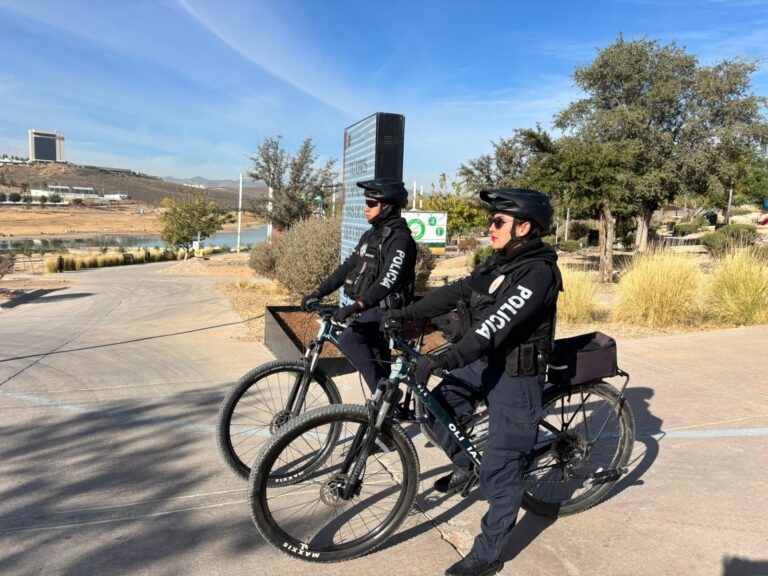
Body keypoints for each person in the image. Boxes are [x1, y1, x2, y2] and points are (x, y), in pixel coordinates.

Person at [383, 188, 562, 576]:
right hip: (485, 364)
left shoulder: (537, 272)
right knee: (435, 412)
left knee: (502, 467)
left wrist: (443, 358)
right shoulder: (501, 263)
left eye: (499, 221)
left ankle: (489, 553)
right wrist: (405, 312)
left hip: (517, 376)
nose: (491, 226)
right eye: (492, 219)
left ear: (524, 227)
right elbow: (456, 292)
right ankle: (470, 465)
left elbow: (495, 327)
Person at [301, 178, 417, 393]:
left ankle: (385, 395)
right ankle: (385, 407)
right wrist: (317, 292)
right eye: (366, 203)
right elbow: (346, 267)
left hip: (389, 309)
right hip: (371, 308)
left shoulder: (400, 239)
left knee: (349, 338)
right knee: (376, 360)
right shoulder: (370, 236)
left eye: (371, 204)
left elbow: (387, 281)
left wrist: (358, 306)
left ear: (387, 207)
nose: (366, 208)